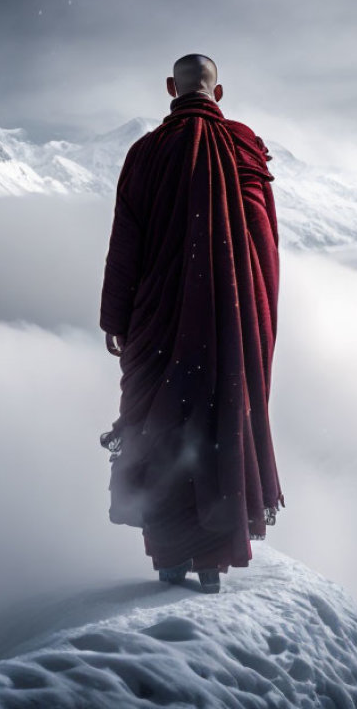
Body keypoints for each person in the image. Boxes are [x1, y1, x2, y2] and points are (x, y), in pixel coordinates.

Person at [99, 53, 284, 594]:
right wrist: (253, 315)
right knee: (218, 422)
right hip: (230, 321)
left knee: (158, 428)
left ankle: (170, 563)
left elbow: (125, 243)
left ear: (169, 89)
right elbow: (262, 243)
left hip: (156, 320)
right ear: (218, 93)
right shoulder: (244, 146)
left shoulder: (146, 153)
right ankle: (210, 567)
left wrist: (115, 316)